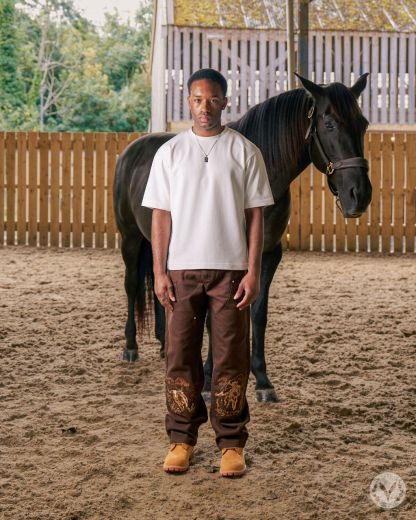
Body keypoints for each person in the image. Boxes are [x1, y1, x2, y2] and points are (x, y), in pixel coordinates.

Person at [141, 68, 274, 477]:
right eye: (198, 99)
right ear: (188, 101)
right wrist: (159, 271)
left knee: (231, 359)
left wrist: (253, 271)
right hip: (181, 273)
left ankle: (231, 444)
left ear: (224, 102)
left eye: (213, 99)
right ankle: (181, 439)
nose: (205, 107)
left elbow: (256, 217)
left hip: (231, 274)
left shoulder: (245, 151)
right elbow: (160, 216)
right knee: (179, 357)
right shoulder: (170, 153)